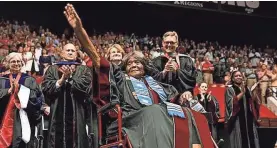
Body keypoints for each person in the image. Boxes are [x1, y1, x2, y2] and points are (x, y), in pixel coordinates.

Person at [64, 4, 214, 148]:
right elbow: (98, 61)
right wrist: (79, 30)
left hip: (160, 117)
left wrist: (183, 96)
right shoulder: (121, 78)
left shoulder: (154, 83)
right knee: (155, 111)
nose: (134, 65)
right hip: (132, 121)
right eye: (130, 63)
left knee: (188, 113)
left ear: (145, 67)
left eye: (138, 63)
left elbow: (173, 97)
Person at [41, 43, 93, 148]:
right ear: (62, 53)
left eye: (73, 51)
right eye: (67, 50)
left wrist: (69, 79)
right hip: (56, 113)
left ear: (76, 54)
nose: (70, 52)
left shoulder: (83, 69)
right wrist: (61, 80)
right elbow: (46, 89)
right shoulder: (52, 69)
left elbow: (85, 88)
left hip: (77, 112)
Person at [0, 52, 43, 148]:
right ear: (8, 63)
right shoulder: (2, 80)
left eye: (18, 61)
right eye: (13, 61)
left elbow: (36, 98)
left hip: (23, 118)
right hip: (3, 117)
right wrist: (8, 91)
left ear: (22, 63)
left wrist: (20, 90)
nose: (16, 63)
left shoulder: (29, 79)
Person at [225, 71, 260, 148]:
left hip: (249, 118)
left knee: (252, 139)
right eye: (236, 76)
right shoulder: (230, 90)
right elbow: (231, 103)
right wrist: (242, 92)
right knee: (240, 140)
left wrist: (254, 91)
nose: (238, 77)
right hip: (237, 120)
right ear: (233, 79)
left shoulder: (247, 88)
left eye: (240, 75)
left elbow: (252, 102)